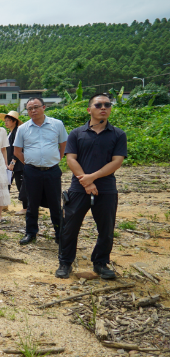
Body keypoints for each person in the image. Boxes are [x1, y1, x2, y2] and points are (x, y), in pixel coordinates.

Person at [56, 93, 126, 279]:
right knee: (69, 227)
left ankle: (101, 263)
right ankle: (65, 262)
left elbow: (117, 161)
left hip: (106, 189)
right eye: (98, 105)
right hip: (78, 189)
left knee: (106, 228)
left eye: (107, 104)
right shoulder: (77, 133)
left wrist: (92, 178)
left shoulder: (118, 134)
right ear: (89, 110)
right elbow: (71, 159)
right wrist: (85, 182)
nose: (103, 107)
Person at [14, 98, 68, 245]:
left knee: (55, 203)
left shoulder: (57, 124)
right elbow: (17, 151)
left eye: (36, 107)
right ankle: (31, 233)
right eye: (30, 108)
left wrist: (57, 158)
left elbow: (63, 144)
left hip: (52, 171)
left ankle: (59, 233)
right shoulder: (23, 128)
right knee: (32, 203)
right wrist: (30, 163)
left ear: (44, 107)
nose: (33, 110)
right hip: (32, 172)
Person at [2, 111, 27, 215]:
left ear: (14, 122)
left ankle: (26, 207)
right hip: (11, 163)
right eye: (5, 121)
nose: (6, 123)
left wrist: (13, 161)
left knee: (21, 185)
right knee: (7, 183)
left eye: (8, 121)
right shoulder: (11, 132)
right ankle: (4, 204)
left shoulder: (17, 132)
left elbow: (17, 148)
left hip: (17, 163)